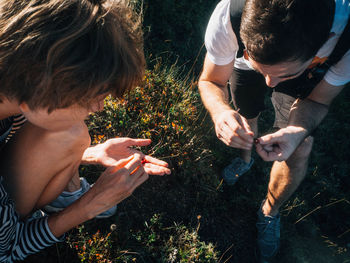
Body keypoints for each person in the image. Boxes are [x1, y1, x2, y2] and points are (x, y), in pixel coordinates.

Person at [0, 0, 171, 262]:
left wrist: (87, 153)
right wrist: (89, 205)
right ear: (41, 90)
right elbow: (9, 250)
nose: (99, 108)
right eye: (92, 97)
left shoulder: (13, 80)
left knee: (71, 135)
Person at [198, 0, 350, 261]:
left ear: (328, 39)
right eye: (263, 70)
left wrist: (296, 132)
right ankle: (245, 159)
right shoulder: (229, 15)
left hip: (306, 78)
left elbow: (318, 100)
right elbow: (211, 80)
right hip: (250, 64)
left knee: (300, 147)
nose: (270, 83)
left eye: (284, 74)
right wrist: (221, 112)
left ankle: (269, 212)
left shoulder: (346, 39)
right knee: (244, 111)